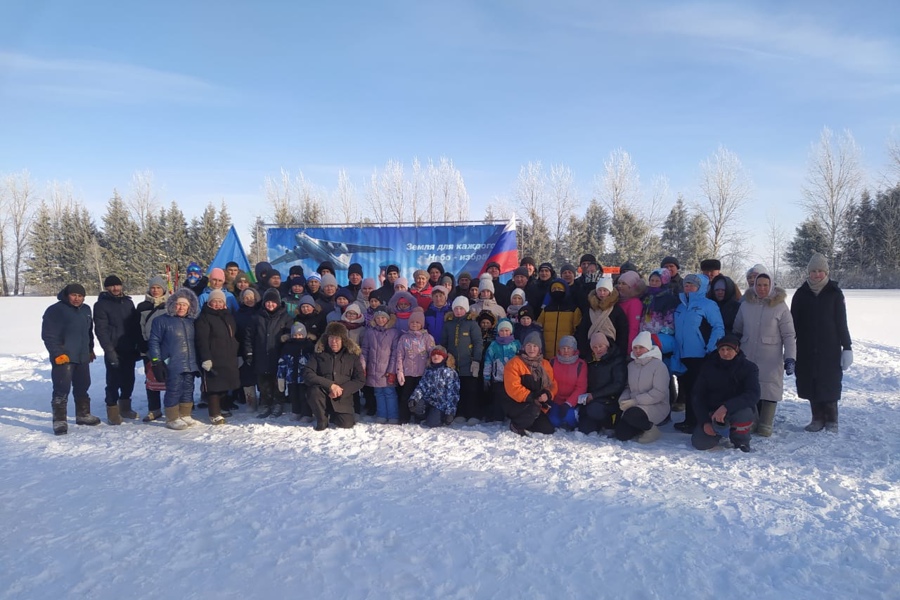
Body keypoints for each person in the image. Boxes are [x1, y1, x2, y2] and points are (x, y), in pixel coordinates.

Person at [790, 252, 852, 432]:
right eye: (813, 271)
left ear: (826, 272)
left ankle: (832, 419)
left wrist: (847, 347)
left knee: (829, 381)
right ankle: (817, 418)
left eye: (820, 271)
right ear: (808, 273)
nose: (817, 274)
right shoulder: (801, 294)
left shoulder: (835, 293)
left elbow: (842, 322)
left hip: (829, 347)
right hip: (806, 347)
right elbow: (792, 323)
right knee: (810, 381)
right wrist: (788, 347)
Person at [733, 273, 796, 437]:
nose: (762, 288)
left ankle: (766, 422)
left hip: (771, 356)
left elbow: (789, 335)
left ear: (771, 286)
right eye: (759, 285)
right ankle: (752, 419)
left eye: (765, 285)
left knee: (769, 387)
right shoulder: (746, 305)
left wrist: (790, 357)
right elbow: (737, 330)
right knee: (748, 386)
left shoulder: (780, 306)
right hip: (747, 354)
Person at [41, 283, 101, 434]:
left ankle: (83, 415)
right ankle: (60, 421)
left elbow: (88, 332)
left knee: (83, 385)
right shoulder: (55, 310)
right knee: (62, 388)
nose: (77, 299)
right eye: (74, 295)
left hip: (82, 356)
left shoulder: (86, 310)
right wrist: (57, 353)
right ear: (67, 295)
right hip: (64, 357)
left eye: (80, 296)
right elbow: (49, 335)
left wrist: (90, 349)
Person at [672, 273, 725, 432]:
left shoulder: (708, 305)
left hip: (701, 355)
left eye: (692, 285)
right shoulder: (680, 306)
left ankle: (699, 422)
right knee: (688, 389)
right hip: (683, 355)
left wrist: (710, 348)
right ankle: (689, 420)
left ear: (700, 287)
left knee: (698, 390)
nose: (688, 288)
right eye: (686, 285)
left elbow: (718, 327)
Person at [691, 334, 759, 452]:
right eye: (722, 349)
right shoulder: (708, 367)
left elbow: (753, 394)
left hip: (737, 409)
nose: (725, 353)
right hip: (712, 412)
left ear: (737, 350)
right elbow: (697, 396)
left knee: (744, 413)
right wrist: (704, 422)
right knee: (700, 443)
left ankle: (741, 440)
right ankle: (717, 432)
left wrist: (726, 407)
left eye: (729, 349)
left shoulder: (749, 368)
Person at [148, 288, 201, 430]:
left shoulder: (192, 322)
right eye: (178, 304)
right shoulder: (161, 321)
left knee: (188, 388)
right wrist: (156, 361)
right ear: (172, 305)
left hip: (190, 362)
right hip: (172, 362)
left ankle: (185, 414)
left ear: (190, 306)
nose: (181, 307)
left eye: (184, 305)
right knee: (174, 389)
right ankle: (172, 417)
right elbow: (154, 341)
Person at [93, 274, 142, 424]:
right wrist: (109, 350)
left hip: (128, 347)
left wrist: (137, 344)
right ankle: (112, 409)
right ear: (106, 288)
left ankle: (125, 407)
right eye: (111, 286)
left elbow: (134, 325)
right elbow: (101, 330)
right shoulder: (101, 304)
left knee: (129, 379)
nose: (115, 288)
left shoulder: (128, 302)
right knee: (113, 380)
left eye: (117, 285)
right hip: (113, 348)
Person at [303, 322, 366, 431]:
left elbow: (360, 379)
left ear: (343, 340)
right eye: (331, 338)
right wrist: (330, 385)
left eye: (337, 339)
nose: (334, 342)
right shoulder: (319, 354)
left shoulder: (352, 356)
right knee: (313, 390)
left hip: (343, 396)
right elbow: (307, 373)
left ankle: (336, 414)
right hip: (322, 394)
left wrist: (341, 390)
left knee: (346, 424)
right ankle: (322, 418)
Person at [194, 289, 241, 424]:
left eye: (220, 301)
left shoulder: (228, 316)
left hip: (228, 356)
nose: (217, 304)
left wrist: (237, 352)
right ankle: (214, 413)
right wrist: (205, 358)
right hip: (213, 357)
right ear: (209, 302)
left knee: (225, 382)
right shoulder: (204, 318)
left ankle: (223, 407)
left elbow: (234, 335)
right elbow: (201, 340)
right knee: (213, 386)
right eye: (215, 301)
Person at [245, 288, 293, 418]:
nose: (270, 305)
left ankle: (278, 403)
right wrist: (249, 353)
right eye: (268, 302)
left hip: (278, 355)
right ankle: (265, 403)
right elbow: (249, 337)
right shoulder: (257, 317)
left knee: (279, 382)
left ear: (278, 302)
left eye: (273, 302)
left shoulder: (286, 317)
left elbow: (290, 336)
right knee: (263, 382)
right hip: (261, 356)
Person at [615, 332, 670, 443]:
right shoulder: (631, 366)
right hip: (635, 406)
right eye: (635, 348)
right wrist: (623, 399)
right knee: (621, 434)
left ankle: (651, 429)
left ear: (648, 348)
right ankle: (639, 427)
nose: (638, 350)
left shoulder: (659, 366)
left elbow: (659, 393)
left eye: (641, 347)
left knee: (632, 414)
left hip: (656, 406)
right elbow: (628, 387)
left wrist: (635, 401)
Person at [502, 332, 557, 436]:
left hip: (536, 404)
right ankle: (516, 425)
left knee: (547, 429)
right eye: (529, 345)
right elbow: (513, 388)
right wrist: (532, 397)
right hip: (516, 403)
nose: (532, 349)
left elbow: (552, 384)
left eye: (535, 346)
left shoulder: (545, 364)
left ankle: (528, 421)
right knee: (533, 408)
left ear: (539, 349)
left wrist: (548, 394)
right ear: (524, 347)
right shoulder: (514, 363)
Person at [441, 296, 483, 422]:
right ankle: (460, 413)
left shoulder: (472, 324)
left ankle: (472, 414)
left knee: (470, 389)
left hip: (469, 363)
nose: (458, 311)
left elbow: (478, 342)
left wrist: (476, 360)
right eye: (456, 308)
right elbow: (444, 343)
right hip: (453, 364)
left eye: (461, 308)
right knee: (456, 390)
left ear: (466, 309)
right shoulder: (448, 324)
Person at [577, 333, 628, 435]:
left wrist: (594, 395)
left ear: (607, 345)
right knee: (584, 428)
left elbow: (618, 384)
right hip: (592, 399)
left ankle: (609, 423)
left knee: (593, 410)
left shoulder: (616, 360)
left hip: (610, 400)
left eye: (601, 346)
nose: (598, 349)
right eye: (595, 347)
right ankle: (598, 424)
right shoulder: (589, 360)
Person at [136, 275, 169, 422]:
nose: (155, 290)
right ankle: (154, 409)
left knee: (170, 378)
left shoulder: (171, 305)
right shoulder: (143, 306)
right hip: (148, 347)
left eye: (158, 288)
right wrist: (142, 343)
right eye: (153, 288)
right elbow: (138, 326)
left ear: (164, 289)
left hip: (167, 348)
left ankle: (171, 407)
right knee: (151, 378)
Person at [360, 307, 401, 424]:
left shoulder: (394, 332)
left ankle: (393, 415)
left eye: (383, 317)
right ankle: (381, 414)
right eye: (378, 318)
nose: (380, 320)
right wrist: (363, 365)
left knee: (390, 393)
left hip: (387, 369)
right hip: (373, 369)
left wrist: (392, 370)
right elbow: (365, 350)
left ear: (388, 319)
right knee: (378, 393)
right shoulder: (370, 332)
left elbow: (395, 352)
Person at [396, 309, 436, 424]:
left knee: (421, 397)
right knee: (406, 395)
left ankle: (420, 417)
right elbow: (399, 355)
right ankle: (404, 417)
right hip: (408, 372)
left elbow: (432, 354)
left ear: (422, 324)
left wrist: (431, 370)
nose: (414, 324)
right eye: (412, 322)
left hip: (422, 373)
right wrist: (400, 371)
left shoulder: (428, 338)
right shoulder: (404, 338)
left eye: (417, 323)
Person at [576, 276, 629, 359]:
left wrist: (620, 353)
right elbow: (583, 330)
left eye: (605, 290)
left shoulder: (616, 310)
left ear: (610, 292)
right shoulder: (590, 309)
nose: (602, 293)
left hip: (612, 351)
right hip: (591, 350)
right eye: (599, 290)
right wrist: (583, 351)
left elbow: (622, 332)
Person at [408, 346, 461, 427]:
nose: (436, 357)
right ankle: (422, 416)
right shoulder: (428, 371)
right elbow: (421, 387)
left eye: (439, 354)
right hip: (428, 401)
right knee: (417, 405)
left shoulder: (450, 372)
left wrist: (450, 412)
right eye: (433, 355)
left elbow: (453, 395)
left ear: (444, 357)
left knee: (432, 423)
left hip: (441, 404)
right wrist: (414, 398)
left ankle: (439, 417)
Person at [482, 318, 521, 422]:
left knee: (512, 396)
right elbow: (488, 361)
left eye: (507, 330)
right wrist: (486, 377)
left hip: (513, 378)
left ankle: (511, 415)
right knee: (498, 397)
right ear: (498, 332)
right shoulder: (493, 345)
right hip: (498, 377)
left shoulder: (516, 344)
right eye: (502, 330)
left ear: (511, 331)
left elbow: (521, 362)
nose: (504, 333)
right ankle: (497, 416)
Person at [547, 336, 587, 430]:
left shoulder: (580, 364)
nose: (565, 351)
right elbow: (548, 381)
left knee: (570, 419)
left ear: (574, 350)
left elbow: (581, 387)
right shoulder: (552, 362)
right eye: (563, 348)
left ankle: (576, 413)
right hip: (555, 399)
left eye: (569, 348)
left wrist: (568, 403)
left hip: (571, 401)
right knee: (554, 421)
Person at [536, 279, 582, 360]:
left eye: (560, 289)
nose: (557, 291)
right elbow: (538, 326)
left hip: (566, 354)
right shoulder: (546, 309)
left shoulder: (573, 309)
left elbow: (578, 330)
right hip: (547, 354)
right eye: (554, 289)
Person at [277, 322, 314, 422]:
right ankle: (296, 412)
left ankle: (307, 414)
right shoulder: (287, 346)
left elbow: (313, 362)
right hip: (291, 377)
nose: (298, 337)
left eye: (300, 335)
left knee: (304, 397)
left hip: (304, 378)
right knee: (293, 396)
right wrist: (281, 376)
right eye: (295, 335)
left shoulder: (309, 346)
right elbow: (282, 362)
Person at [614, 270, 645, 350]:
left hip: (625, 346)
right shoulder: (618, 300)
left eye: (624, 284)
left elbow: (633, 328)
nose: (619, 286)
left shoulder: (634, 303)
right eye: (619, 283)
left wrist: (630, 350)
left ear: (632, 287)